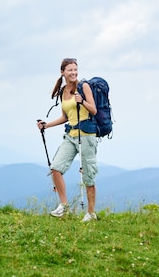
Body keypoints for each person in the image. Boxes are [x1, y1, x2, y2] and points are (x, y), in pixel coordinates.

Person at [37, 58, 99, 222]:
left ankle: (91, 213)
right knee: (56, 168)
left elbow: (94, 110)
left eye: (75, 69)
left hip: (86, 136)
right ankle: (64, 206)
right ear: (62, 72)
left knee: (88, 175)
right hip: (70, 135)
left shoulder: (84, 86)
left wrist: (82, 101)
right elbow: (65, 117)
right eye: (70, 70)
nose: (73, 73)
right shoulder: (63, 90)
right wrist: (46, 125)